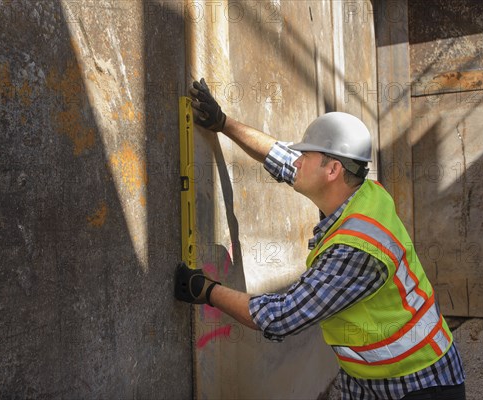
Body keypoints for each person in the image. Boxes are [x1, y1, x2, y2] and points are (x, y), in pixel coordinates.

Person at [175, 78, 466, 400]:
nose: (295, 160)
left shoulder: (357, 249)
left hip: (417, 383)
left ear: (332, 170)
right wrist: (224, 123)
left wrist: (206, 290)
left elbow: (281, 316)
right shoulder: (360, 191)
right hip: (369, 376)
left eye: (306, 155)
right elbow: (282, 158)